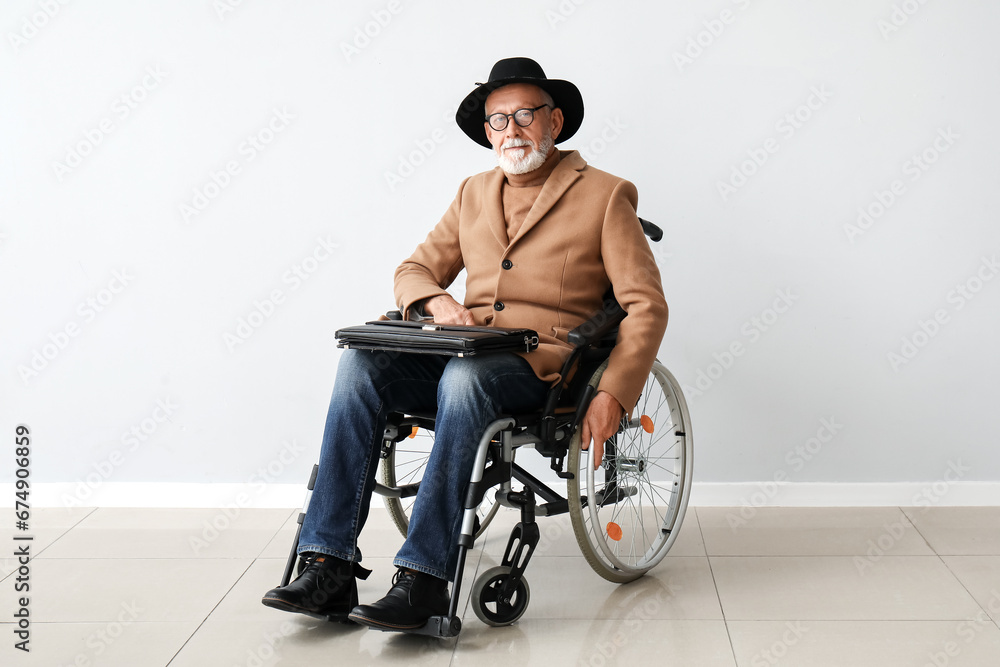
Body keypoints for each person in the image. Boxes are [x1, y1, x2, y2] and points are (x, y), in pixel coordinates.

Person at [261, 57, 667, 633]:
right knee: (360, 366)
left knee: (464, 378)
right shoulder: (474, 192)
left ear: (553, 121)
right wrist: (435, 303)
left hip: (544, 367)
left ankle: (424, 578)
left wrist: (614, 395)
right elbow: (414, 269)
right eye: (498, 120)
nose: (511, 129)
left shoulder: (604, 194)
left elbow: (646, 305)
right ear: (487, 131)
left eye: (525, 115)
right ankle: (328, 565)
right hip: (466, 351)